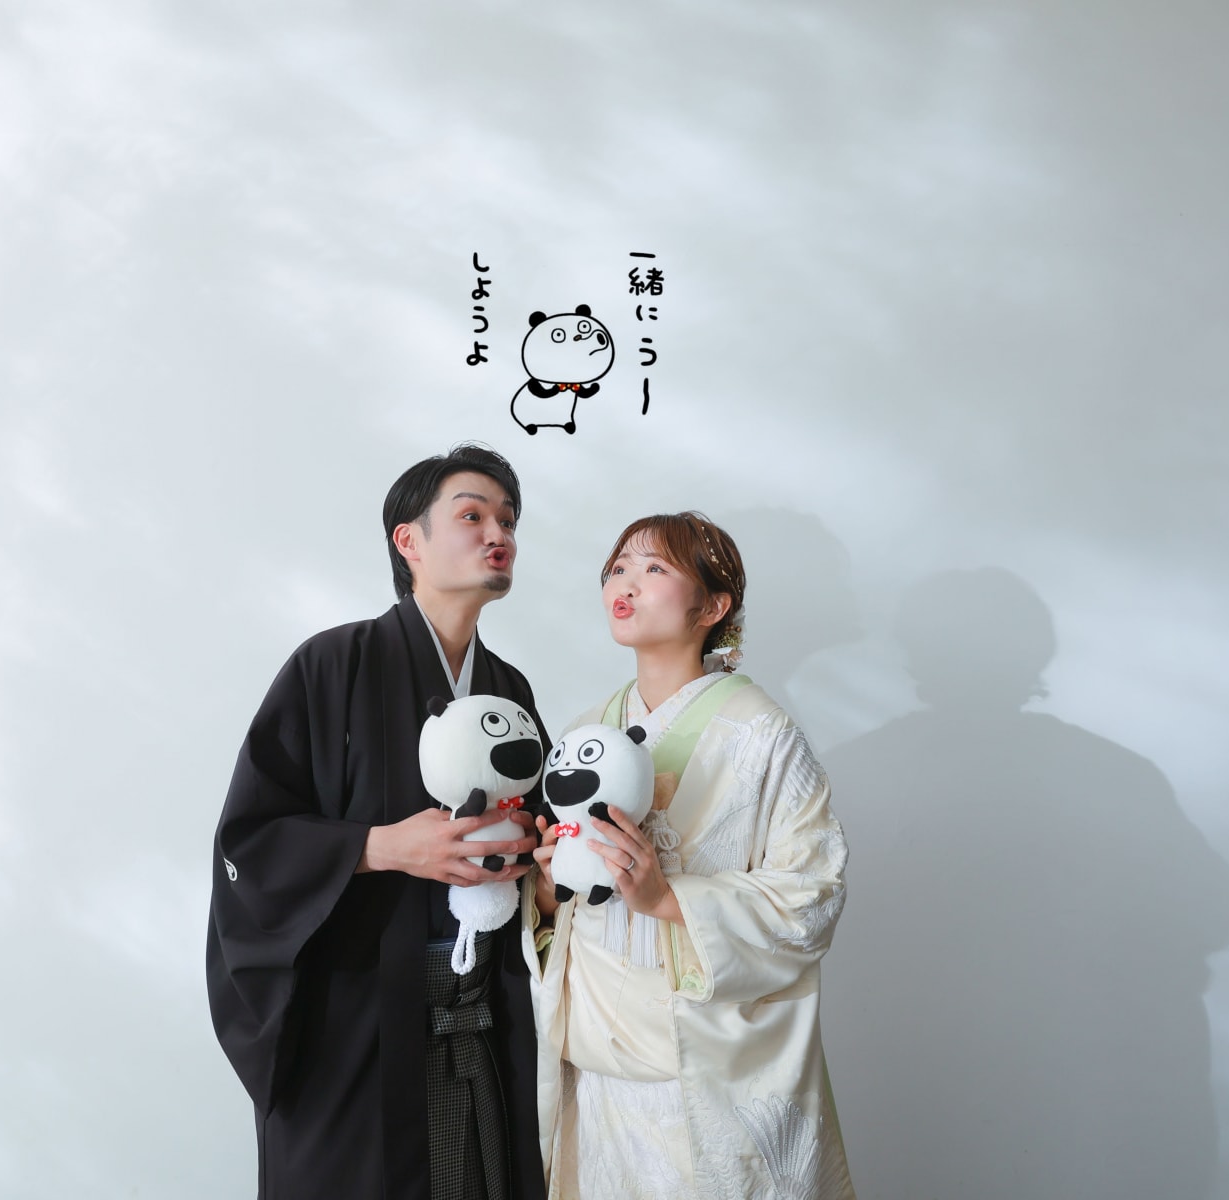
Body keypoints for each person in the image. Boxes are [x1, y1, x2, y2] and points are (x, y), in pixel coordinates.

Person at [207, 444, 548, 1200]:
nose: (499, 533)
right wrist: (380, 846)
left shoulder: (507, 690)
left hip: (478, 1024)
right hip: (353, 1031)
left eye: (508, 520)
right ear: (408, 540)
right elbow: (250, 843)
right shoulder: (332, 665)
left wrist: (534, 851)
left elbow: (537, 837)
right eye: (472, 516)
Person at [525, 511, 856, 1200]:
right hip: (595, 1068)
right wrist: (549, 889)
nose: (626, 583)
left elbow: (813, 894)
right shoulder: (586, 730)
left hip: (699, 1075)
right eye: (618, 568)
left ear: (713, 606)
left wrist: (667, 898)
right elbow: (557, 898)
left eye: (654, 568)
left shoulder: (763, 734)